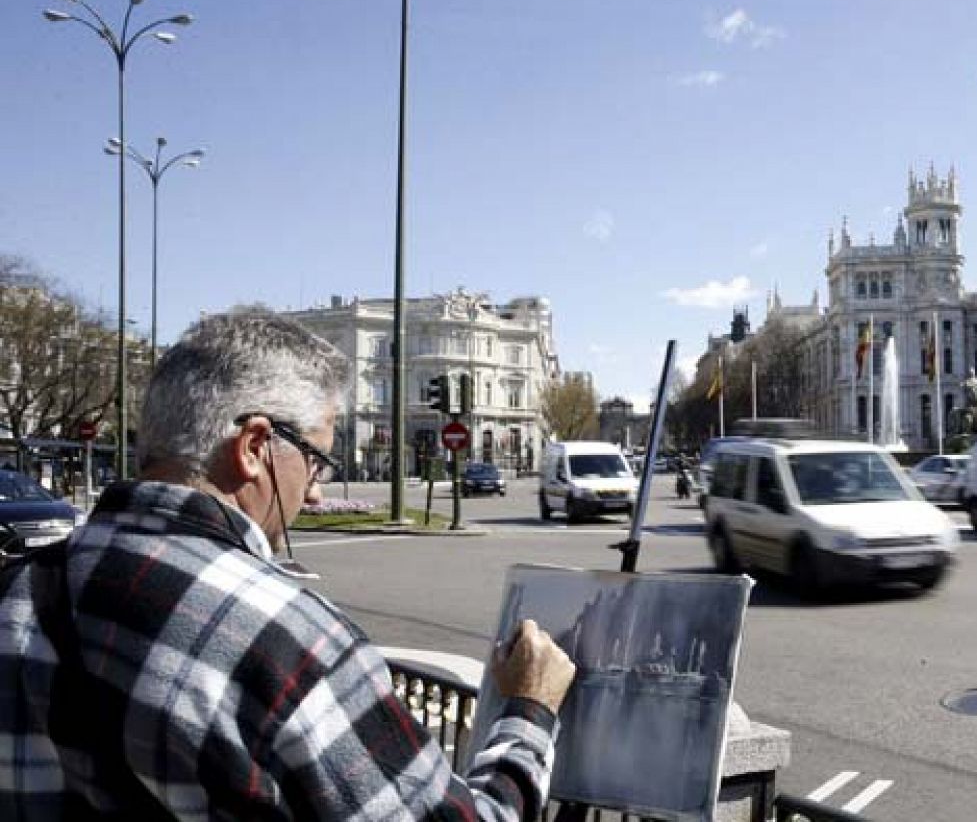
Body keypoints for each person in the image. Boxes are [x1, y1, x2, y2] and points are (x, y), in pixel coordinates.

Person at [0, 312, 576, 819]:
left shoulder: (16, 592)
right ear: (254, 447)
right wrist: (529, 710)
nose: (317, 494)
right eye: (317, 460)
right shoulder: (287, 638)